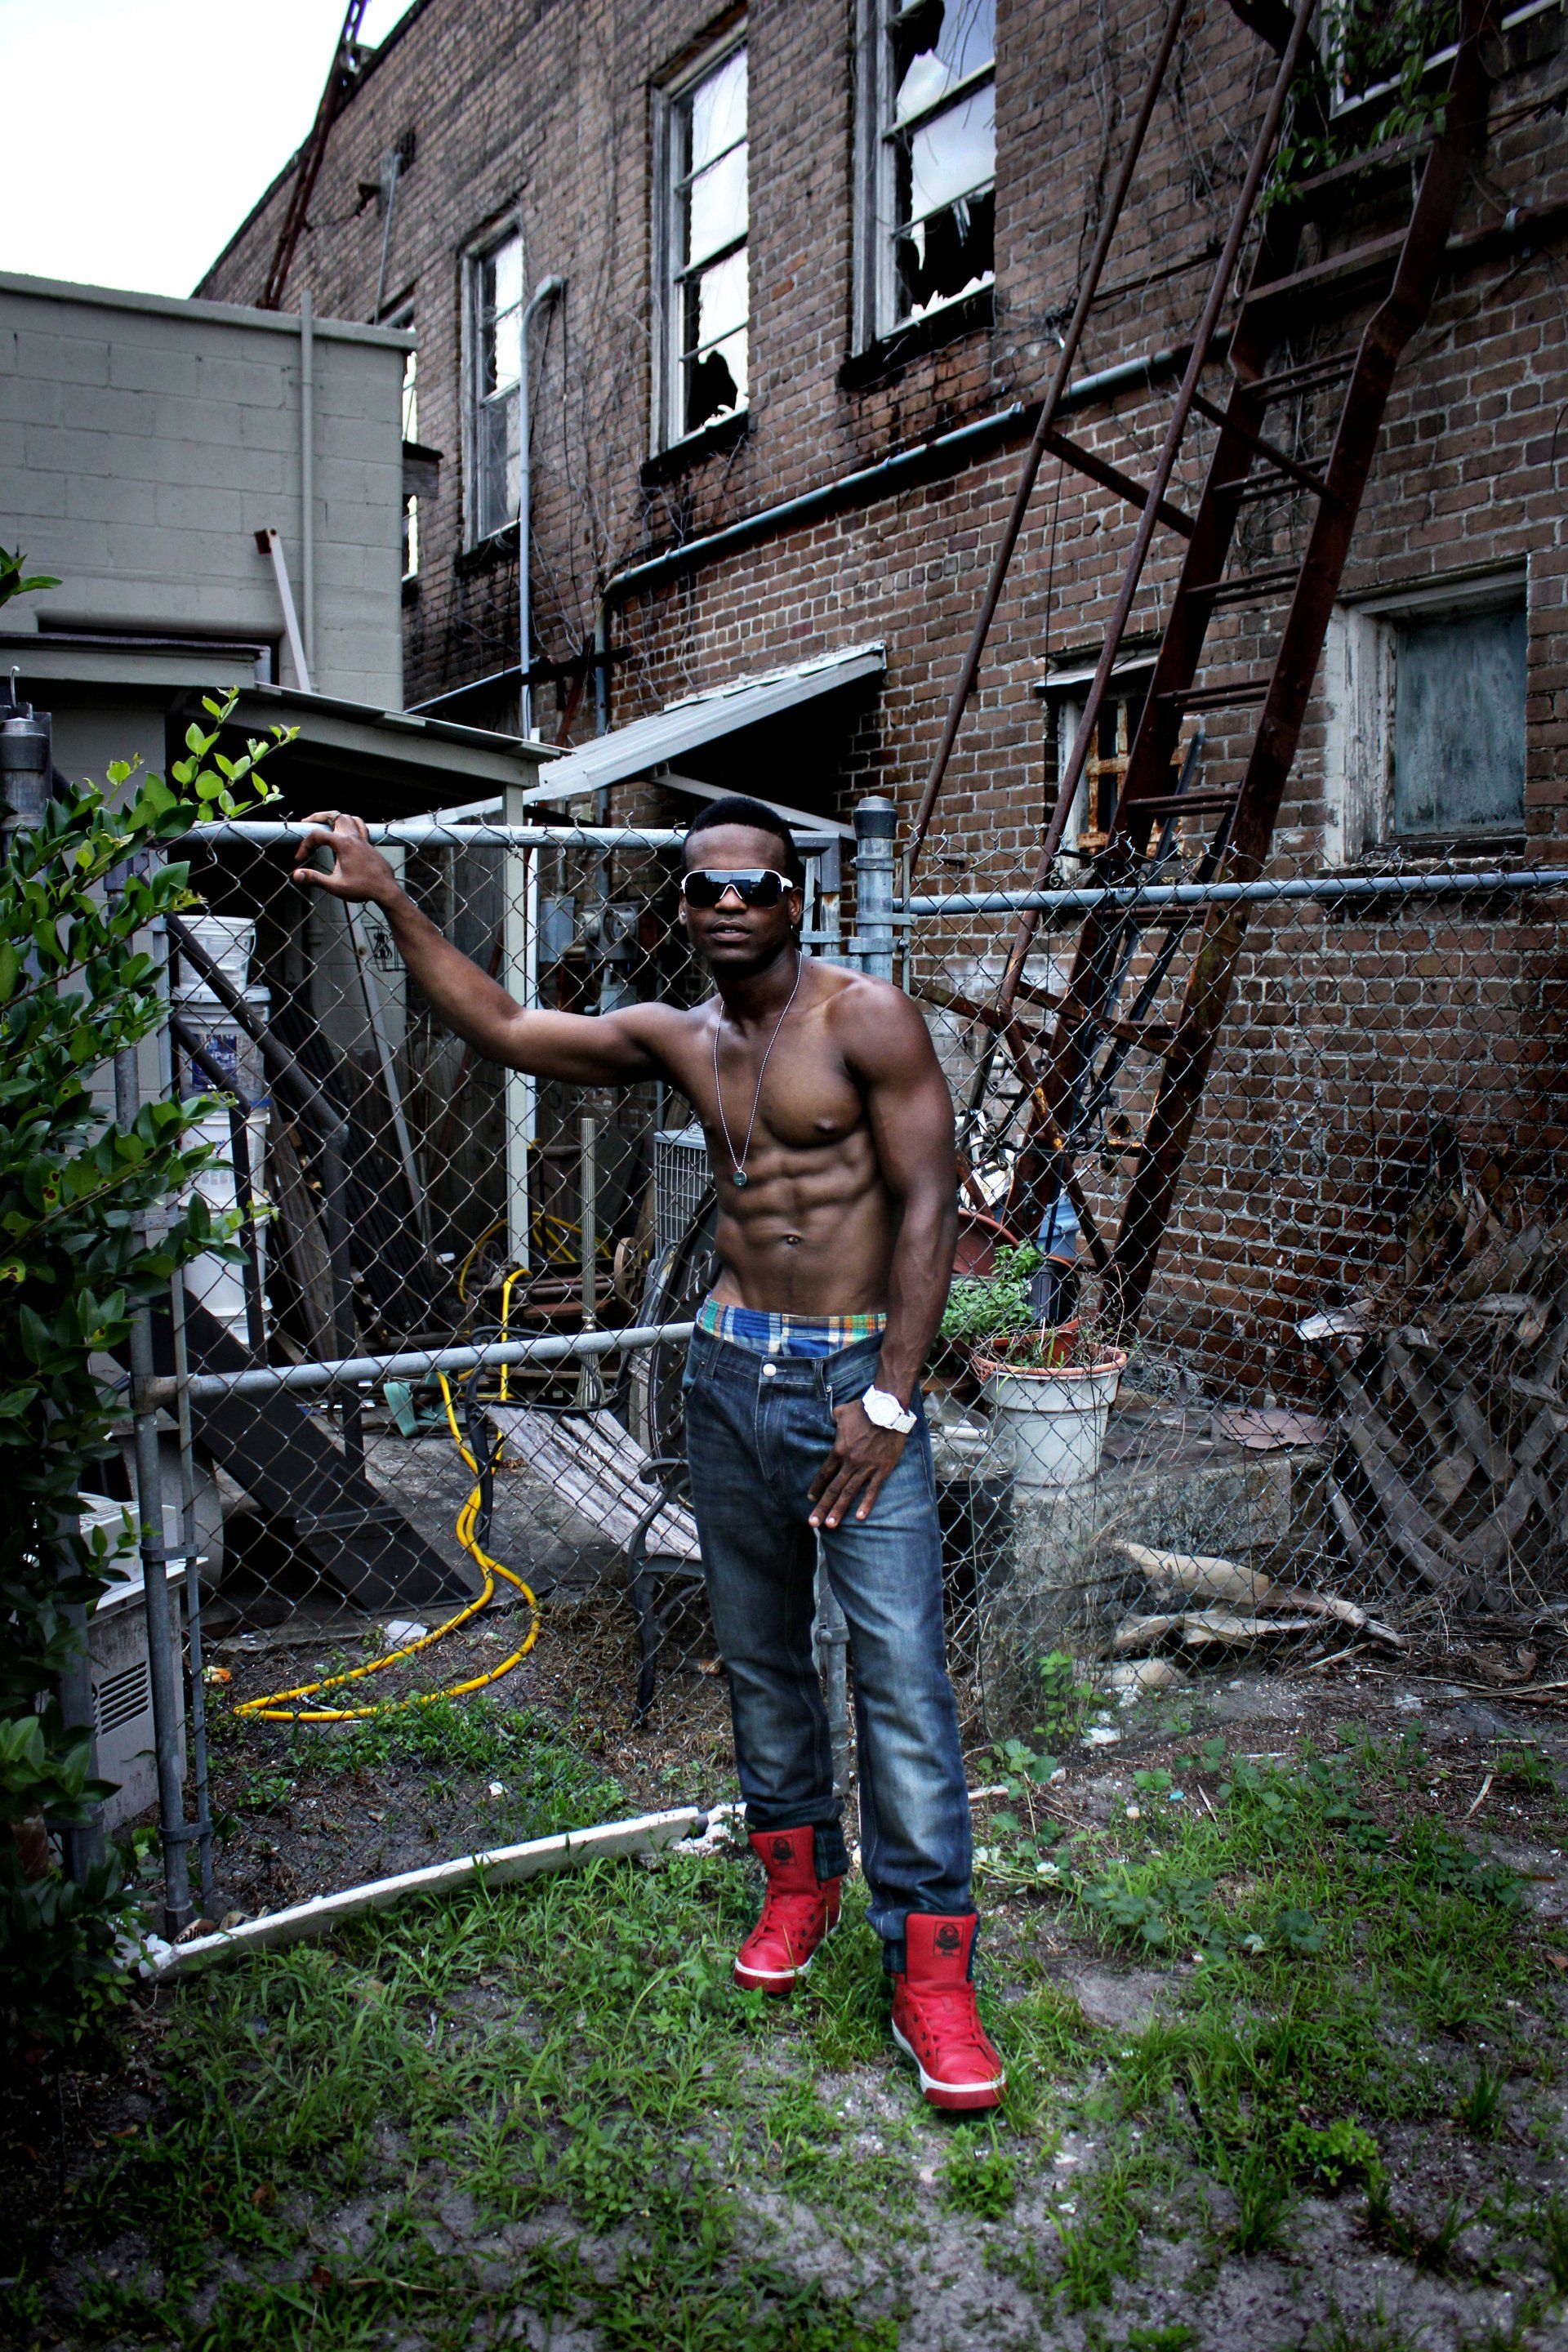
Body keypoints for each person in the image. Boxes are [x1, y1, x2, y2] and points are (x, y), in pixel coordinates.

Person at [293, 794, 1004, 2112]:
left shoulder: (868, 1020)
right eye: (706, 892)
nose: (732, 908)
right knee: (761, 1653)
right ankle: (799, 1888)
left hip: (856, 1386)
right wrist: (393, 900)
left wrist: (894, 1400)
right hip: (727, 1374)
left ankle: (933, 1974)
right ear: (678, 912)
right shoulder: (679, 1037)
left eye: (757, 888)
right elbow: (506, 1028)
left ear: (797, 899)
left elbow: (928, 1207)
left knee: (900, 1676)